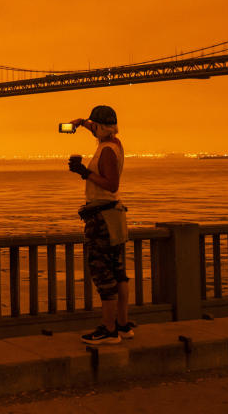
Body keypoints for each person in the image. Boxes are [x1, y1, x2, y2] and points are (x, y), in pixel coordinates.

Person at [67, 105, 133, 345]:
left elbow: (111, 184)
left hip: (102, 218)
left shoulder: (105, 151)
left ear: (100, 127)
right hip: (114, 216)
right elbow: (96, 128)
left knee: (102, 273)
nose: (92, 129)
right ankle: (123, 326)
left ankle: (108, 330)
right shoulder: (115, 143)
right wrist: (81, 122)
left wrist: (83, 172)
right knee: (118, 272)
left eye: (94, 126)